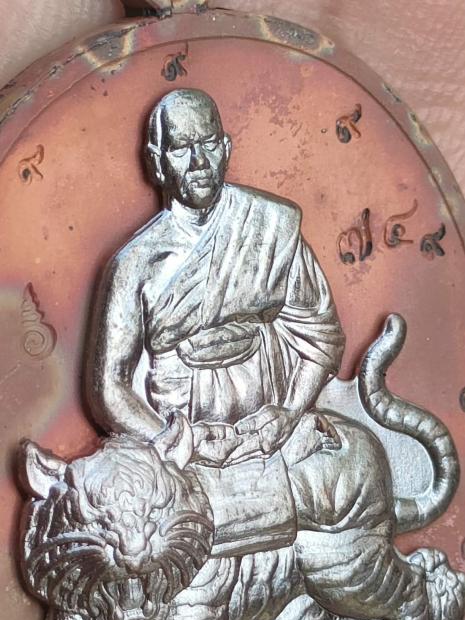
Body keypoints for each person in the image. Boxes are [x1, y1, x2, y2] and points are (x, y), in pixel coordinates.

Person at [87, 88, 345, 466]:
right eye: (181, 148)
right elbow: (109, 387)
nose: (199, 162)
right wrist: (173, 443)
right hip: (180, 440)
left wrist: (290, 413)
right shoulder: (135, 265)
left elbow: (322, 337)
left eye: (208, 143)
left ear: (226, 149)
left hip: (270, 436)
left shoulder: (271, 226)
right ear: (157, 162)